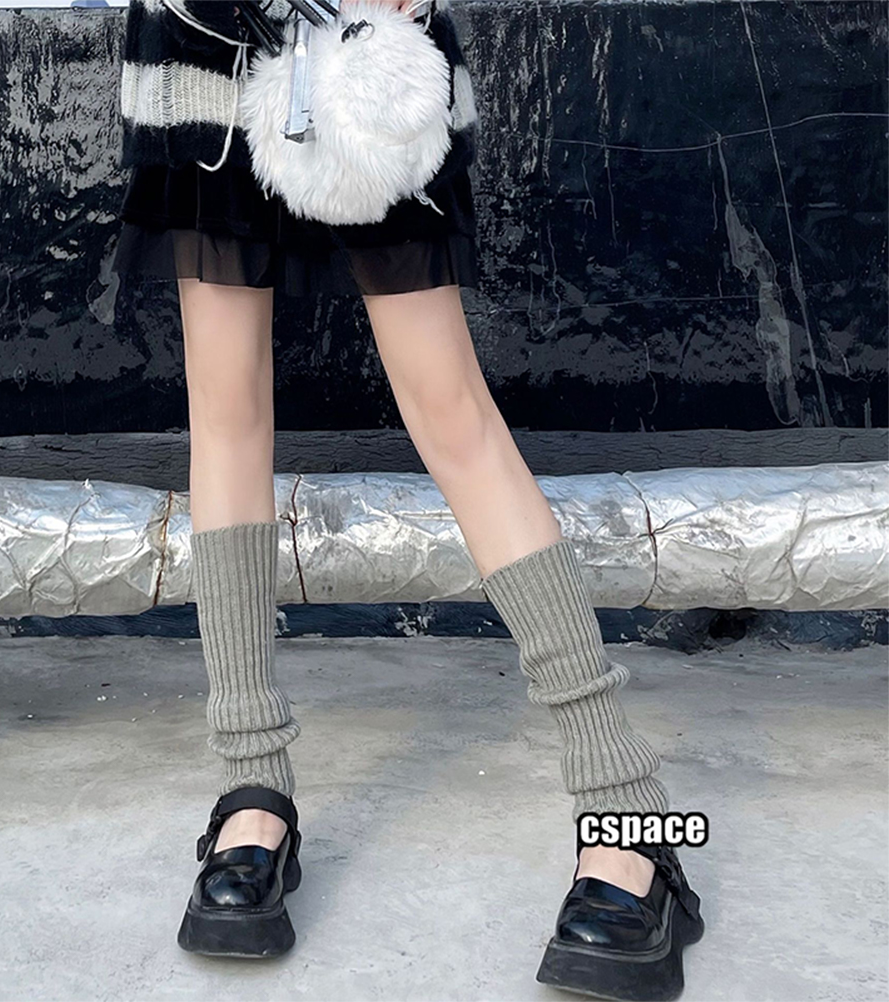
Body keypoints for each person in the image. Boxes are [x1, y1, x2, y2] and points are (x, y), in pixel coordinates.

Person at [109, 0, 703, 996]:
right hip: (204, 45)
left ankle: (625, 802)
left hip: (370, 47)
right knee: (224, 409)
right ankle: (251, 788)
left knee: (451, 410)